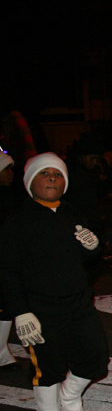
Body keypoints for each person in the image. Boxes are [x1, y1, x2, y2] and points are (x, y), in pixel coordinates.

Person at [0, 153, 109, 411]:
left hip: (77, 303)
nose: (52, 178)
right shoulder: (18, 222)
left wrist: (92, 247)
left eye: (58, 174)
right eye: (44, 173)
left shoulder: (72, 213)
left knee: (95, 356)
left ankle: (70, 398)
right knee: (48, 365)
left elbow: (83, 258)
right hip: (40, 307)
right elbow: (7, 271)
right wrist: (21, 312)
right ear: (29, 182)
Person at [0, 152, 22, 370]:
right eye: (7, 169)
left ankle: (1, 352)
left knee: (5, 304)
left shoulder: (7, 196)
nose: (11, 174)